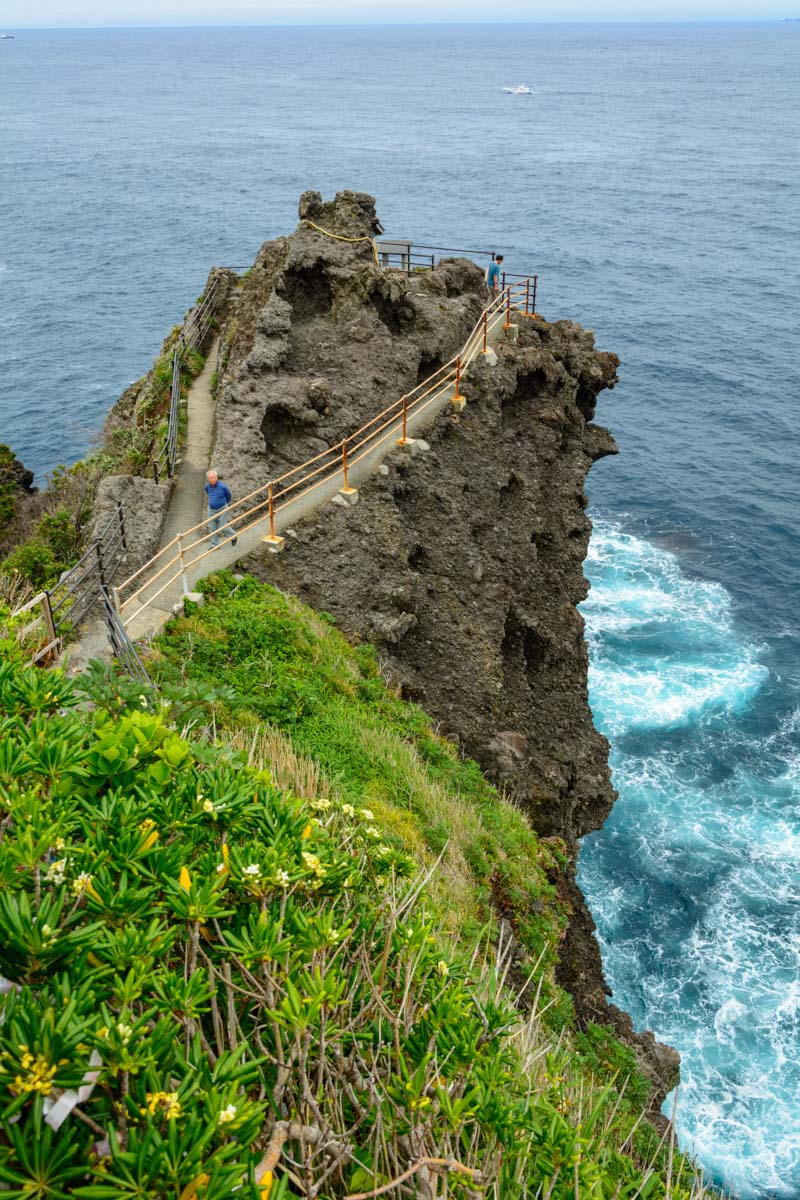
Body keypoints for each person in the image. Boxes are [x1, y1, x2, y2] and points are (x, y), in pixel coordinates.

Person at [205, 469, 238, 548]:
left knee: (223, 526)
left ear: (216, 477)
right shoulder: (207, 486)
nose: (210, 480)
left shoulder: (222, 487)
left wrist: (222, 504)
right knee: (212, 527)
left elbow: (228, 496)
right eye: (209, 478)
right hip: (211, 509)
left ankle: (233, 536)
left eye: (212, 477)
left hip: (222, 509)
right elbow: (208, 493)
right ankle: (215, 545)